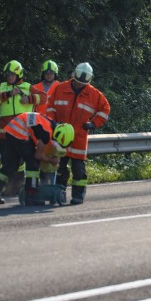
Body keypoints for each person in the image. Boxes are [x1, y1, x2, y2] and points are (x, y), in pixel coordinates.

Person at [46, 62, 110, 204]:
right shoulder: (60, 88)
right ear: (73, 76)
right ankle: (58, 193)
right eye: (77, 82)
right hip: (60, 135)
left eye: (82, 83)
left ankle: (78, 195)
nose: (79, 85)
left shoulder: (94, 94)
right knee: (59, 167)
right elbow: (50, 107)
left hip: (79, 138)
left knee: (78, 170)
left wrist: (93, 124)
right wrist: (52, 123)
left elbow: (105, 110)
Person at [0, 112, 75, 205]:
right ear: (58, 135)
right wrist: (52, 160)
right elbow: (38, 155)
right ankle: (31, 195)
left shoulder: (50, 123)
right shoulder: (46, 133)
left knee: (10, 166)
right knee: (33, 162)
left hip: (10, 131)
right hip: (20, 133)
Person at [0, 60, 46, 195]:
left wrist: (30, 99)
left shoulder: (27, 87)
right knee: (9, 164)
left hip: (23, 135)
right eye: (7, 75)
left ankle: (18, 188)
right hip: (5, 136)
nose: (9, 77)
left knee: (24, 163)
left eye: (12, 75)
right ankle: (10, 189)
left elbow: (44, 97)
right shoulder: (2, 87)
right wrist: (8, 94)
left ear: (19, 74)